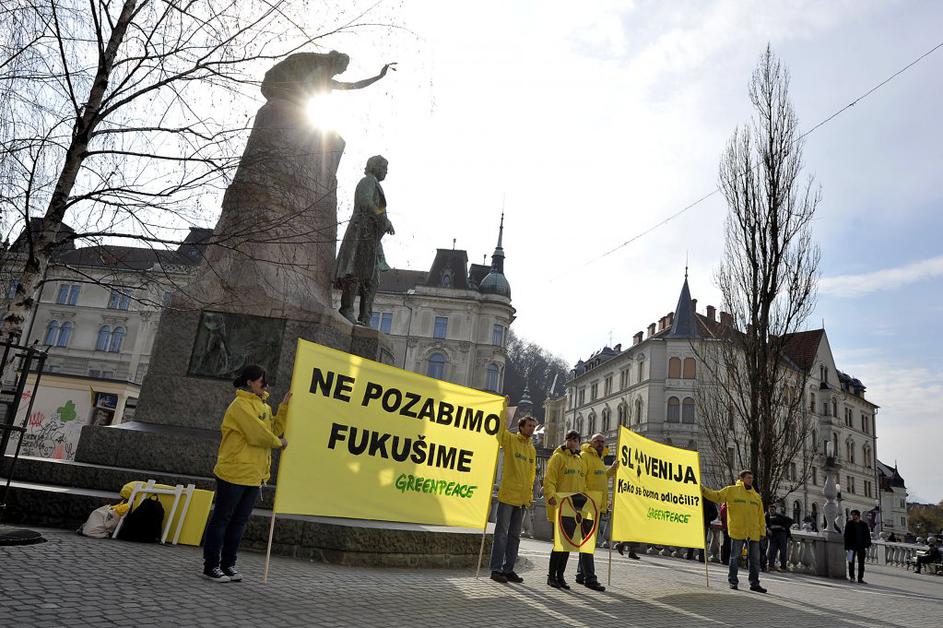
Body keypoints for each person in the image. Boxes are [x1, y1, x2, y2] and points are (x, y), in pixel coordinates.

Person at [202, 365, 290, 582]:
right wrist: (279, 443)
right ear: (250, 382)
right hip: (234, 471)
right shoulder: (240, 405)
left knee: (239, 522)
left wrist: (285, 407)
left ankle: (228, 564)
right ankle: (211, 566)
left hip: (253, 474)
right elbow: (257, 434)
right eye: (262, 381)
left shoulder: (264, 406)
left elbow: (273, 429)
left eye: (266, 381)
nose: (265, 385)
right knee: (222, 519)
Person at [334, 155, 395, 325]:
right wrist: (383, 219)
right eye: (384, 168)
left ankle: (364, 317)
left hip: (370, 237)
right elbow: (365, 202)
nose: (386, 172)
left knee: (370, 278)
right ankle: (346, 309)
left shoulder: (375, 184)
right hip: (361, 232)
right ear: (376, 167)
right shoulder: (368, 181)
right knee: (354, 271)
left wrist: (384, 221)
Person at [489, 415, 537, 584]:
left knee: (515, 537)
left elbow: (531, 475)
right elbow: (500, 432)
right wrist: (503, 410)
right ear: (521, 427)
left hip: (522, 499)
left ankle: (508, 569)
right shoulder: (510, 440)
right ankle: (496, 569)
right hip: (508, 496)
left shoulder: (532, 449)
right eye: (529, 425)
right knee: (501, 534)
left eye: (533, 426)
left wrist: (529, 496)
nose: (532, 429)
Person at [702, 470, 767, 593]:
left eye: (751, 478)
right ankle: (733, 581)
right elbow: (717, 496)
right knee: (735, 557)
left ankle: (754, 583)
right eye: (748, 478)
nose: (751, 480)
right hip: (738, 530)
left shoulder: (756, 496)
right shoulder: (731, 490)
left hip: (753, 532)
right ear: (741, 479)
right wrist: (704, 490)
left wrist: (762, 532)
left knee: (754, 560)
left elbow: (761, 517)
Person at [575, 433, 618, 591]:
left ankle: (581, 574)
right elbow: (581, 480)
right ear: (591, 443)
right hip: (589, 505)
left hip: (597, 506)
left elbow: (601, 478)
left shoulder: (599, 459)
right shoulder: (585, 456)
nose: (600, 443)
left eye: (602, 441)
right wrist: (584, 501)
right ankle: (590, 578)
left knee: (587, 543)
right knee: (588, 543)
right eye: (597, 441)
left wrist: (612, 469)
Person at [543, 430, 586, 589]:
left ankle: (560, 576)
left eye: (576, 440)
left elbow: (582, 484)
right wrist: (550, 495)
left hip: (574, 508)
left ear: (579, 443)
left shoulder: (579, 460)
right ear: (566, 440)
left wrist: (584, 504)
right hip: (560, 506)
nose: (573, 443)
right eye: (570, 440)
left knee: (568, 544)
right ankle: (551, 576)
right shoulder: (558, 457)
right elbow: (549, 479)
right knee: (559, 544)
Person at [843, 509, 871, 583]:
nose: (853, 516)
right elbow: (846, 535)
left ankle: (860, 578)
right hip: (851, 546)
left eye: (854, 515)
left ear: (858, 515)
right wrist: (846, 547)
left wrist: (867, 545)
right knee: (850, 562)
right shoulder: (849, 523)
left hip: (861, 546)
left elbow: (867, 535)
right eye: (852, 515)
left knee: (861, 563)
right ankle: (852, 577)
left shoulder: (864, 524)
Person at [766, 504, 793, 571]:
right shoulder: (767, 516)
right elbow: (765, 524)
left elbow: (790, 521)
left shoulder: (780, 516)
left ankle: (783, 567)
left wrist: (783, 527)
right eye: (770, 509)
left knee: (782, 552)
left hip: (781, 535)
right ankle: (771, 566)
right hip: (773, 536)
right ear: (768, 510)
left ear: (775, 510)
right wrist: (768, 529)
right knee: (772, 551)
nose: (771, 511)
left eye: (773, 509)